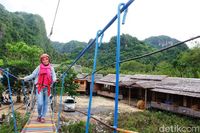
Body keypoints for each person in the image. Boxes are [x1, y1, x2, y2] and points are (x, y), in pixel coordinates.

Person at [20, 53, 56, 123]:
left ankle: (43, 117)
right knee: (40, 103)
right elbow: (33, 75)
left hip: (47, 88)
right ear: (41, 61)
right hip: (39, 87)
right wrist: (24, 78)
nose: (45, 60)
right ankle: (39, 115)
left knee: (45, 103)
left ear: (49, 59)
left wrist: (54, 79)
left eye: (46, 59)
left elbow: (54, 76)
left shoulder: (51, 68)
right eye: (43, 59)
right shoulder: (39, 67)